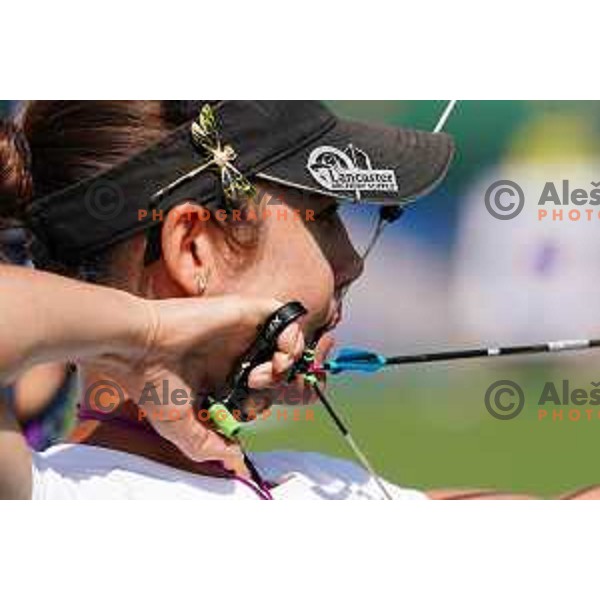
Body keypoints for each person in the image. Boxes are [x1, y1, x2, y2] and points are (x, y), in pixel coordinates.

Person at [0, 100, 454, 499]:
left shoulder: (326, 484)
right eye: (325, 216)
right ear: (194, 249)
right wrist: (150, 335)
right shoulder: (55, 497)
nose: (353, 263)